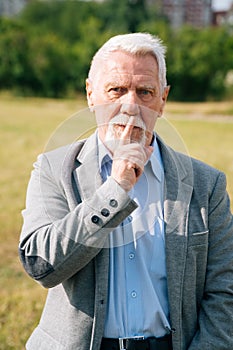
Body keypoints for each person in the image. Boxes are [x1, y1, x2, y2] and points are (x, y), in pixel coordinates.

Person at [19, 33, 233, 350]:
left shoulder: (207, 184)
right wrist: (115, 189)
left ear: (163, 99)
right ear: (91, 95)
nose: (130, 105)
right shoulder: (53, 170)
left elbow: (224, 289)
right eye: (116, 90)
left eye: (145, 92)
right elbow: (41, 266)